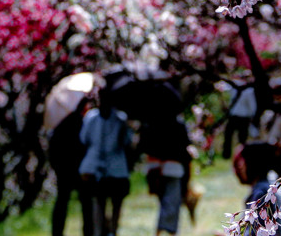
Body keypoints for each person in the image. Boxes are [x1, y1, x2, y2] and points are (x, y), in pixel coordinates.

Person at [79, 88, 132, 236]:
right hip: (96, 167)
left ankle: (112, 231)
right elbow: (85, 139)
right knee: (98, 204)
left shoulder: (120, 119)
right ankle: (100, 230)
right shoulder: (91, 118)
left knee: (115, 203)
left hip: (116, 168)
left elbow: (125, 142)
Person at [139, 115, 192, 236]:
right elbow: (184, 149)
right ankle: (165, 231)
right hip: (172, 168)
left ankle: (162, 231)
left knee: (165, 202)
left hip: (155, 168)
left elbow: (143, 146)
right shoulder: (178, 124)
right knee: (171, 203)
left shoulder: (150, 123)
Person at [49, 99, 92, 236]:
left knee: (62, 203)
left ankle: (57, 232)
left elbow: (52, 148)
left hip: (64, 170)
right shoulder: (82, 123)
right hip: (79, 169)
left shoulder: (61, 123)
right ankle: (88, 232)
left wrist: (57, 168)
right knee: (86, 204)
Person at [223, 81, 258, 159]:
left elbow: (252, 105)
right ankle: (227, 154)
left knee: (241, 138)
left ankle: (241, 154)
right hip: (235, 116)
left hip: (243, 117)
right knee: (229, 136)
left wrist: (252, 115)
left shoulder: (248, 91)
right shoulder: (235, 89)